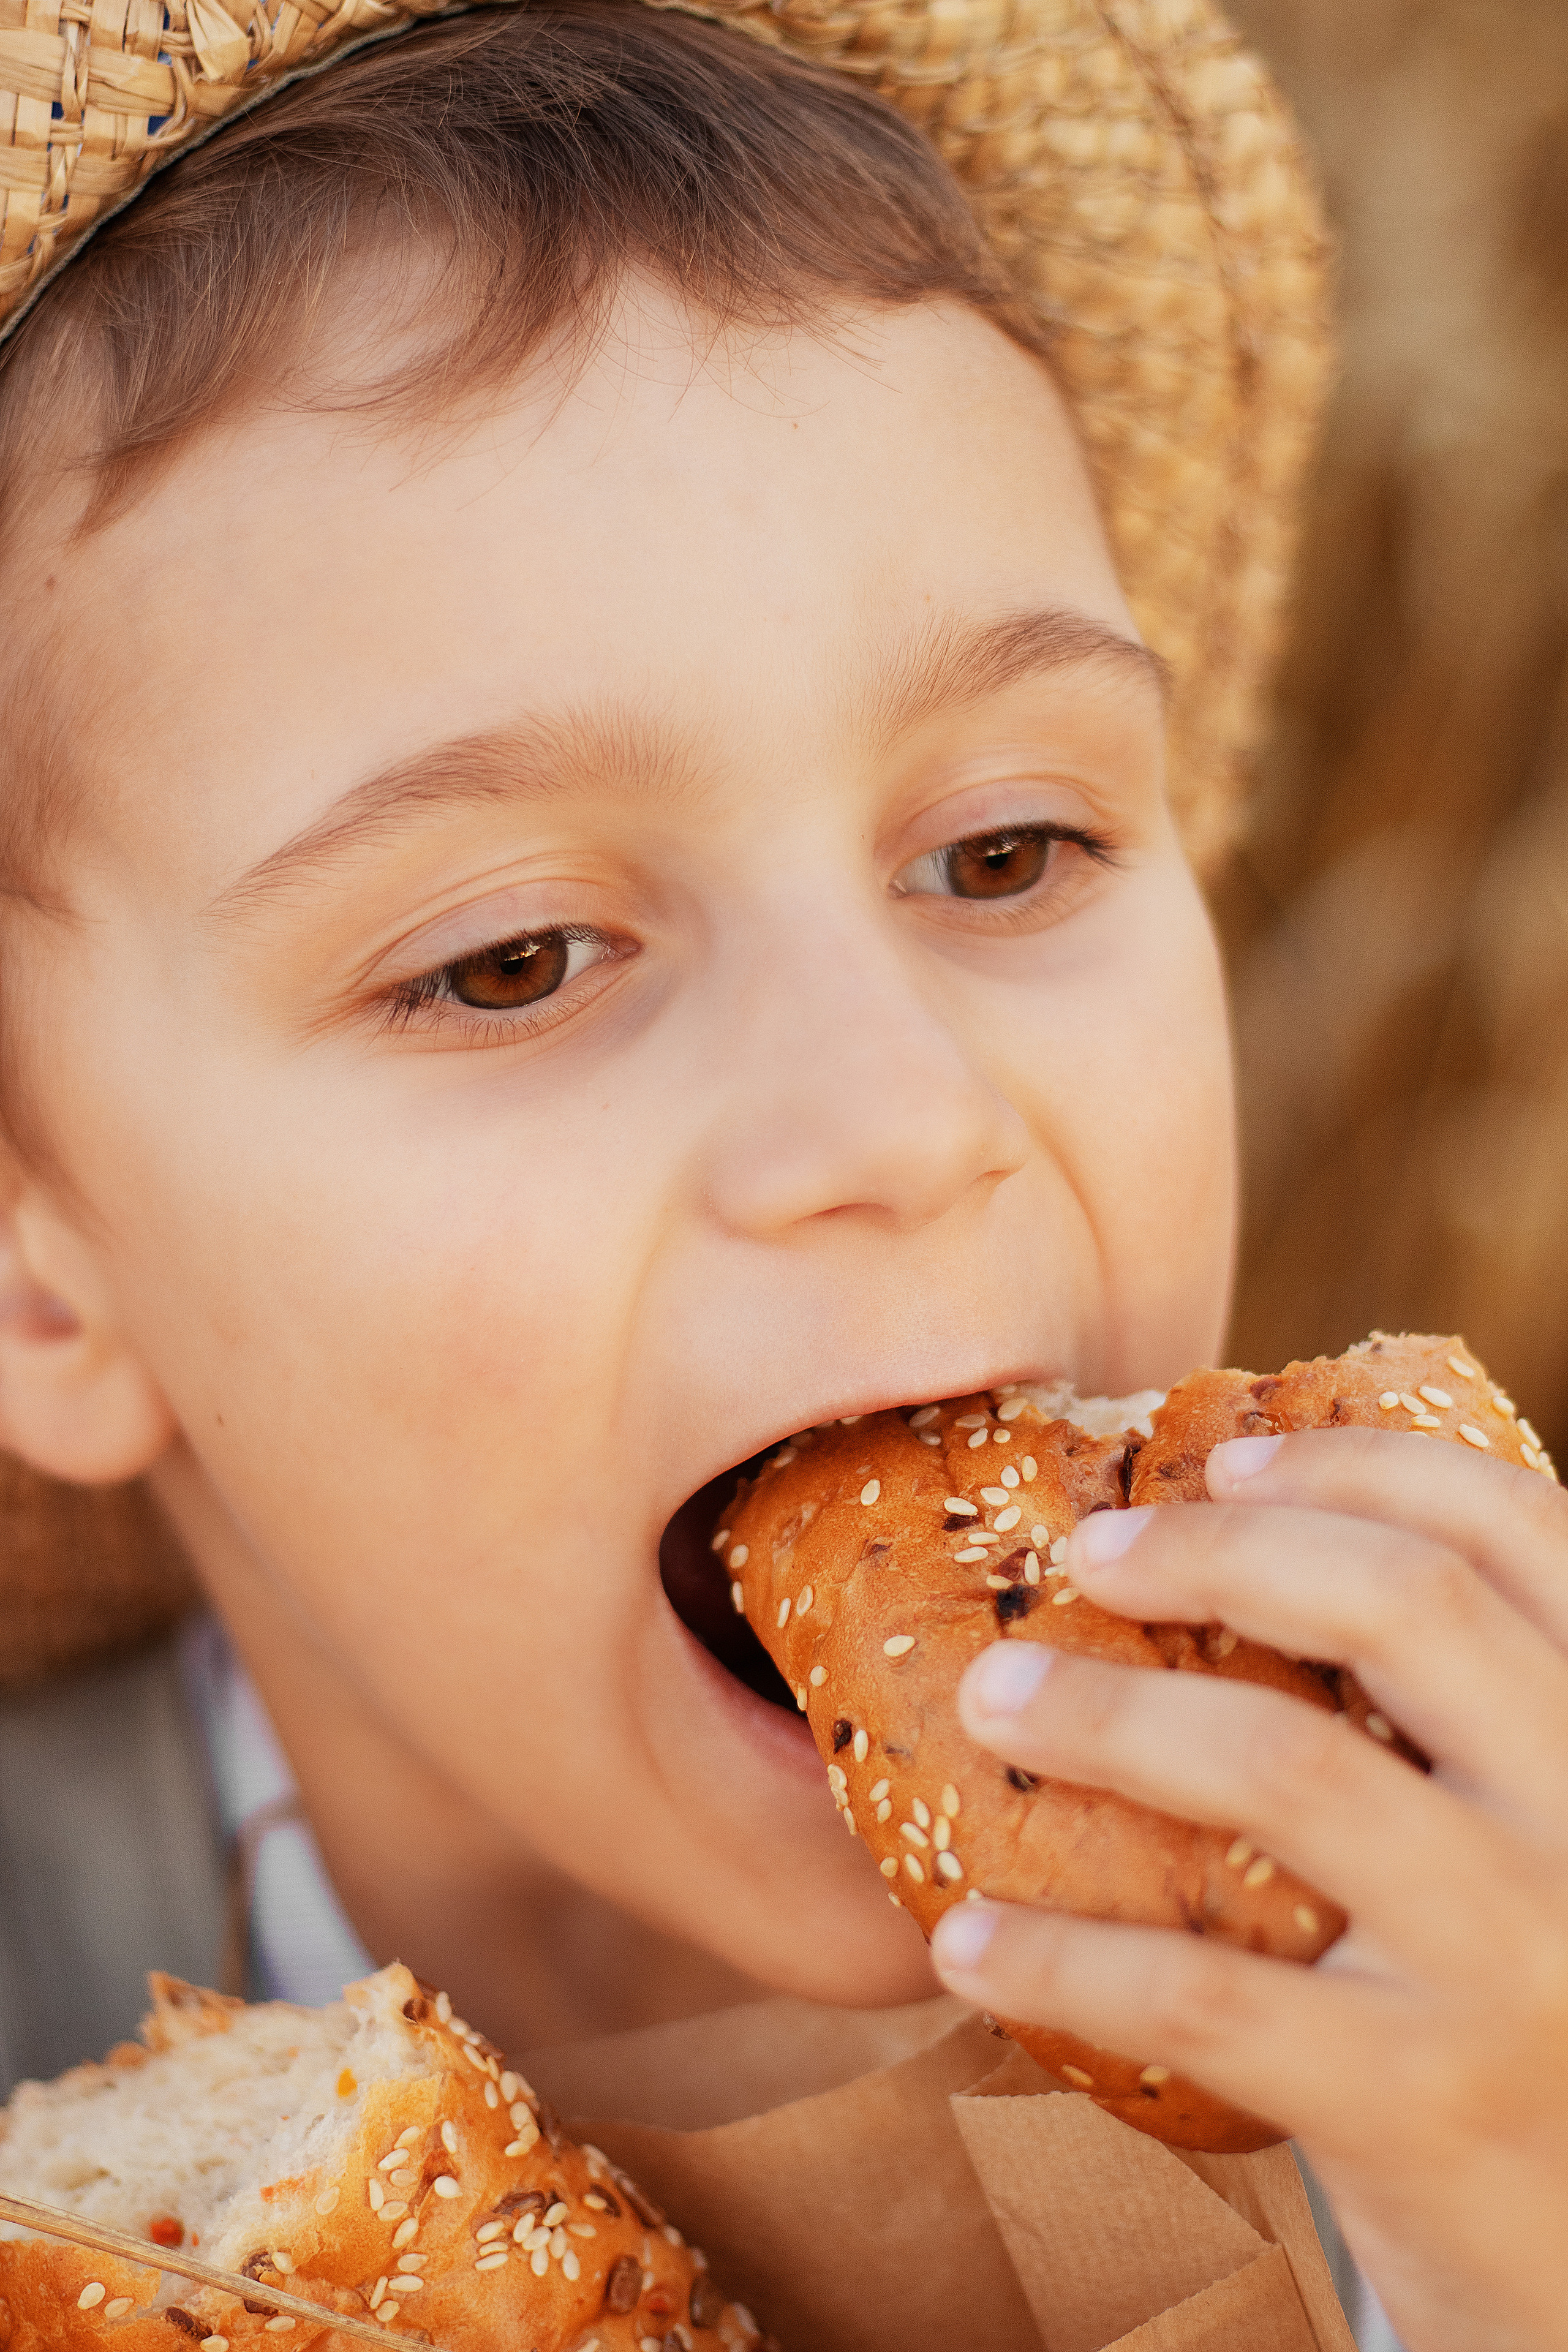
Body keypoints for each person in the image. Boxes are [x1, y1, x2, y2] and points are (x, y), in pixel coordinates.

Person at [0, 5, 1561, 2348]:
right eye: (514, 959)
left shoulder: (1501, 1965)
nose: (903, 1116)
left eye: (1008, 847)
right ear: (41, 1286)